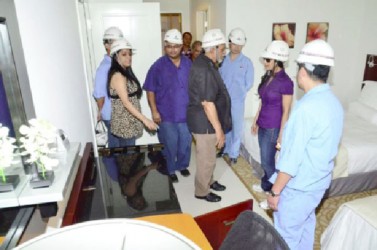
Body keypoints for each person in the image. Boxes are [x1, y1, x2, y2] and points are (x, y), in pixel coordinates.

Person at [267, 39, 344, 250]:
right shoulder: (334, 103)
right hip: (318, 185)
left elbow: (291, 162)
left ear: (303, 71)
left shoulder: (305, 109)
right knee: (306, 228)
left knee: (285, 238)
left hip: (299, 189)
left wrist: (275, 192)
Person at [187, 29, 231, 202]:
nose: (224, 51)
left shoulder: (208, 63)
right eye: (222, 48)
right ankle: (202, 192)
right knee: (206, 159)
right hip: (204, 122)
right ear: (213, 48)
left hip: (207, 120)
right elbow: (207, 103)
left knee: (210, 156)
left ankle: (209, 181)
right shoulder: (203, 68)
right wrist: (219, 129)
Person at [143, 29, 192, 183]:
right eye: (169, 46)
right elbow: (150, 90)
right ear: (165, 46)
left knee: (185, 142)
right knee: (170, 144)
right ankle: (170, 169)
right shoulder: (158, 66)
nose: (172, 49)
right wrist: (154, 111)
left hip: (186, 114)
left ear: (182, 46)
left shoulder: (188, 63)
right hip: (166, 114)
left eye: (176, 46)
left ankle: (183, 165)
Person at [251, 40, 293, 196]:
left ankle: (276, 190)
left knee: (268, 162)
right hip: (263, 124)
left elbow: (286, 110)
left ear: (278, 61)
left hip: (273, 127)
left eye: (268, 60)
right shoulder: (268, 76)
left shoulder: (286, 82)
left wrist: (281, 135)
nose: (265, 62)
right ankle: (266, 185)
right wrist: (255, 120)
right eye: (264, 59)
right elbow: (262, 101)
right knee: (265, 160)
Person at [108, 39, 158, 147]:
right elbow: (126, 103)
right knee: (129, 158)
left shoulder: (125, 72)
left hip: (130, 123)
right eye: (124, 54)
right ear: (116, 56)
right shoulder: (118, 76)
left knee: (129, 156)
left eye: (130, 54)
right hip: (125, 124)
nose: (129, 57)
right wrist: (146, 120)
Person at [219, 28, 254, 164]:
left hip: (237, 101)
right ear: (229, 43)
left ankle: (234, 153)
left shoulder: (246, 62)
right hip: (223, 100)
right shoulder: (223, 61)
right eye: (234, 44)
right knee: (225, 125)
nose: (237, 47)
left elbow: (249, 82)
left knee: (237, 126)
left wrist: (240, 92)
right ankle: (226, 149)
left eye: (240, 45)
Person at [93, 26, 123, 147]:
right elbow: (99, 94)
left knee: (122, 148)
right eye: (113, 43)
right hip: (111, 116)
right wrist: (100, 111)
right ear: (106, 45)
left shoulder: (118, 63)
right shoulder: (104, 68)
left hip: (120, 114)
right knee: (116, 149)